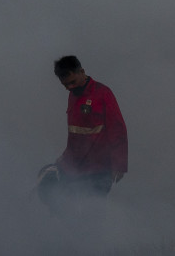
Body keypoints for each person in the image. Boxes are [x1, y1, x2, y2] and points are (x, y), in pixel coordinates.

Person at [38, 55, 128, 216]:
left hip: (99, 169)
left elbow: (117, 129)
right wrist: (63, 160)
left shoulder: (102, 94)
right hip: (73, 167)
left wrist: (119, 164)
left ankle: (93, 239)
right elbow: (76, 134)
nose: (69, 87)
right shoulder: (73, 95)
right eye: (65, 85)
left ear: (82, 71)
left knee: (90, 213)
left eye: (72, 82)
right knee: (57, 203)